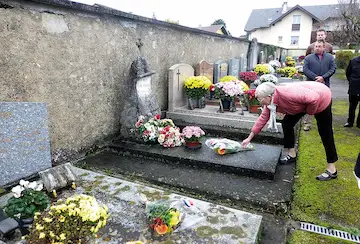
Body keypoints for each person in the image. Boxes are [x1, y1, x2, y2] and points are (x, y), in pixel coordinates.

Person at [241, 81, 338, 181]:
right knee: (287, 124)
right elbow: (262, 119)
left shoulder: (288, 94)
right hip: (302, 104)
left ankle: (332, 169)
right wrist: (249, 138)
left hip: (321, 97)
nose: (259, 102)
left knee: (325, 132)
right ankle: (292, 154)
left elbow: (314, 98)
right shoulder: (270, 103)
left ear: (269, 96)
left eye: (260, 99)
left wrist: (309, 113)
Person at [302, 40, 336, 131]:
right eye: (316, 46)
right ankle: (307, 124)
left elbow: (332, 69)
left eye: (319, 46)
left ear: (324, 47)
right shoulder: (308, 58)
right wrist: (316, 77)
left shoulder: (330, 57)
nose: (317, 48)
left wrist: (323, 77)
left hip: (325, 85)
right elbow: (305, 69)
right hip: (311, 85)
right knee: (309, 104)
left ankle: (327, 125)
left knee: (326, 104)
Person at [344, 55, 360, 128]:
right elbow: (348, 73)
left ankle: (359, 123)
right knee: (352, 106)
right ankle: (350, 122)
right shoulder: (353, 61)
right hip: (354, 87)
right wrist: (352, 81)